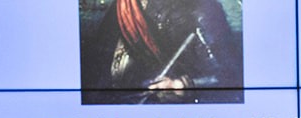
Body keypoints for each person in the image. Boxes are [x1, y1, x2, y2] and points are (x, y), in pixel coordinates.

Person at [80, 0, 245, 105]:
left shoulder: (201, 7)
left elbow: (231, 79)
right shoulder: (122, 7)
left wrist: (189, 87)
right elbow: (95, 75)